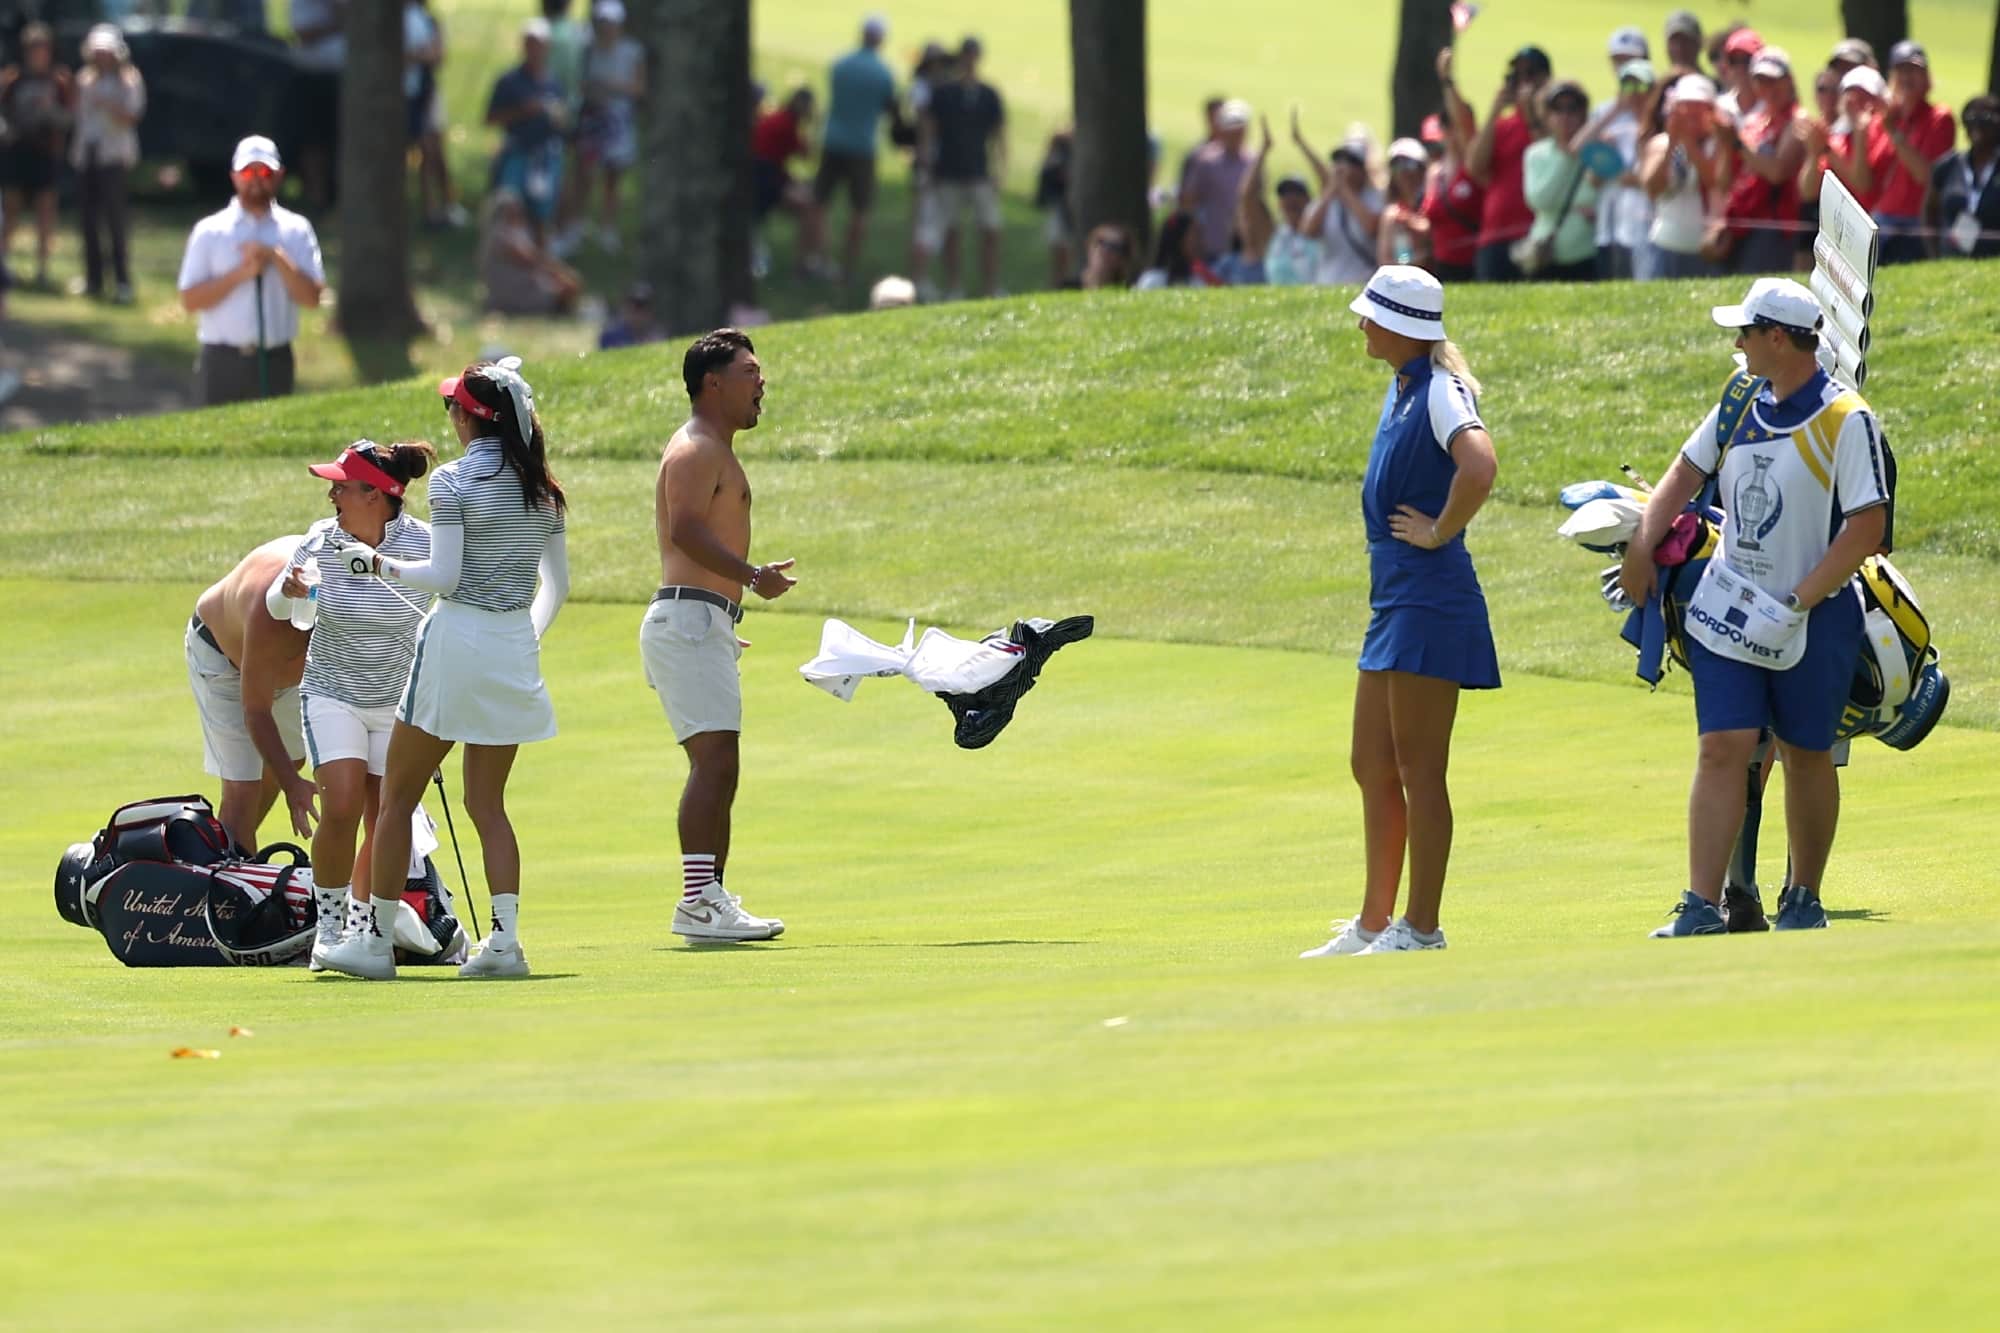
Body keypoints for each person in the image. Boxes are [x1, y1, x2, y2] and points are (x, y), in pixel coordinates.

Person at [1618, 279, 1891, 936]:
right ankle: (1699, 904)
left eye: (1746, 332)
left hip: (1815, 616)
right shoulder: (1739, 398)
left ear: (1778, 338)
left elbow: (1866, 528)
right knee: (1723, 746)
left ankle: (1804, 898)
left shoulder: (1846, 418)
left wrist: (1799, 600)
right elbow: (1683, 474)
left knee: (1805, 751)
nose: (1737, 343)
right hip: (1731, 609)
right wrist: (1643, 544)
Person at [317, 359, 571, 980]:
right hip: (513, 645)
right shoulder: (544, 488)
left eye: (452, 407)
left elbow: (445, 577)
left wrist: (373, 564)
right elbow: (557, 587)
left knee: (397, 797)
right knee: (488, 803)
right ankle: (504, 945)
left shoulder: (455, 481)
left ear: (467, 418)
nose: (450, 417)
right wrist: (520, 639)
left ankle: (375, 945)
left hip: (455, 641)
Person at [1300, 265, 1498, 958]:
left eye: (1372, 315)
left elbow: (1480, 467)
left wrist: (1440, 530)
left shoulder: (1441, 390)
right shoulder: (1407, 385)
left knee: (1420, 768)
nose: (1362, 324)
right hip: (1394, 600)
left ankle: (1422, 926)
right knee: (1371, 762)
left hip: (1430, 597)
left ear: (1403, 327)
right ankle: (1374, 921)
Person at [641, 329, 795, 943]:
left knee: (720, 763)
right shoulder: (696, 448)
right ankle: (698, 901)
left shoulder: (712, 448)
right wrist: (751, 577)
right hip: (688, 620)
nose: (761, 382)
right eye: (749, 372)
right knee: (715, 762)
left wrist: (725, 616)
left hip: (703, 620)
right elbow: (685, 530)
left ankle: (710, 898)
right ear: (713, 383)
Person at [276, 441, 437, 965]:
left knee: (385, 817)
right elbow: (278, 602)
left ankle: (366, 925)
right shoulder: (321, 539)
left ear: (375, 494)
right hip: (332, 693)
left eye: (341, 487)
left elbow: (451, 595)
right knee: (341, 805)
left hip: (397, 704)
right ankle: (328, 928)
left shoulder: (424, 542)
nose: (331, 495)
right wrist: (291, 591)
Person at [176, 136, 325, 406]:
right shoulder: (210, 231)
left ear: (279, 175)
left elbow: (312, 298)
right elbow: (190, 300)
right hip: (221, 360)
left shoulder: (296, 230)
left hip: (275, 359)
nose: (256, 180)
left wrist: (276, 257)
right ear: (234, 177)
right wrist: (241, 274)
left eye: (264, 172)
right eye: (247, 172)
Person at [188, 536, 314, 853]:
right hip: (221, 658)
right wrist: (292, 786)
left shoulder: (352, 602)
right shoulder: (267, 611)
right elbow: (256, 712)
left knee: (289, 760)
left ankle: (225, 853)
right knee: (243, 787)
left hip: (283, 671)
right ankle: (232, 874)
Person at [914, 37, 1005, 300]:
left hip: (979, 172)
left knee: (990, 230)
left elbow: (999, 135)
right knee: (951, 232)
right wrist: (927, 167)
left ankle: (990, 287)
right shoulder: (944, 93)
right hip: (948, 172)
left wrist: (1000, 170)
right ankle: (954, 286)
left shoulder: (989, 94)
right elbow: (929, 133)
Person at [815, 13, 898, 282]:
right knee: (859, 210)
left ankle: (821, 258)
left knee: (821, 203)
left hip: (833, 139)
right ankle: (847, 268)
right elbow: (889, 108)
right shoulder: (883, 73)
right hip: (863, 146)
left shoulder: (841, 65)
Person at [69, 25, 144, 304]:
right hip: (87, 154)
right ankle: (93, 278)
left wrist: (108, 104)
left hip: (114, 156)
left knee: (115, 220)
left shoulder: (129, 79)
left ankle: (122, 280)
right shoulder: (84, 79)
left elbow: (132, 116)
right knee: (88, 219)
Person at [1715, 47, 1804, 275]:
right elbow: (1725, 181)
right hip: (1742, 223)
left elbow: (1778, 172)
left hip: (1774, 228)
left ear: (1789, 81)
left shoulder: (1797, 121)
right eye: (1761, 81)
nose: (1768, 88)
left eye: (1774, 80)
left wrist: (1736, 144)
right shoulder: (1753, 121)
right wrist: (1726, 145)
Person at [1466, 44, 1550, 281]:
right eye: (1516, 77)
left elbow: (1550, 157)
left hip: (1535, 234)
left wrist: (1531, 114)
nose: (1523, 83)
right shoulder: (1503, 126)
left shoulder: (1555, 121)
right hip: (1495, 235)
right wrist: (1494, 111)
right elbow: (1475, 166)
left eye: (1530, 74)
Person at [0, 23, 73, 292]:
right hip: (17, 153)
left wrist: (50, 111)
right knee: (11, 209)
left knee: (45, 211)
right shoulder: (13, 79)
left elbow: (70, 118)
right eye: (33, 49)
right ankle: (4, 265)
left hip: (45, 154)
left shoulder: (59, 80)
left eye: (42, 49)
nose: (38, 54)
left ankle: (42, 269)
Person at [1870, 42, 1955, 264]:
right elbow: (1869, 177)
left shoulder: (1939, 118)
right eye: (1901, 71)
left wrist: (1894, 133)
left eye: (1914, 70)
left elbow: (1925, 175)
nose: (1907, 77)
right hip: (1881, 218)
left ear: (1926, 77)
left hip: (1915, 222)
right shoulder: (1884, 118)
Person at [486, 19, 567, 241]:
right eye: (530, 43)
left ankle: (539, 253)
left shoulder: (554, 83)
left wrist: (559, 119)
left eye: (539, 44)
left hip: (545, 157)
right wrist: (523, 111)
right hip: (516, 152)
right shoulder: (509, 81)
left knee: (541, 213)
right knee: (509, 208)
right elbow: (490, 118)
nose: (534, 50)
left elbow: (563, 123)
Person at [571, 0, 643, 253]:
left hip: (618, 120)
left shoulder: (632, 51)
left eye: (611, 23)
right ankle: (576, 225)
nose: (606, 28)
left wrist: (610, 85)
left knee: (613, 177)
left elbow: (638, 88)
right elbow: (580, 82)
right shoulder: (588, 48)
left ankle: (607, 228)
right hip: (593, 115)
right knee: (584, 173)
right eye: (603, 23)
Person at [1587, 38, 1660, 280]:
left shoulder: (1661, 128)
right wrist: (1616, 110)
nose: (1635, 94)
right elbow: (1583, 159)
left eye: (1641, 87)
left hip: (1651, 226)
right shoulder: (1614, 126)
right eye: (1628, 86)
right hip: (1615, 226)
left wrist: (1629, 177)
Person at [1641, 75, 1726, 279]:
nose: (1691, 113)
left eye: (1699, 106)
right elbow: (1652, 189)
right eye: (1685, 106)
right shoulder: (1660, 144)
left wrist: (1687, 141)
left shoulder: (1720, 144)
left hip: (1705, 249)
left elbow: (1713, 182)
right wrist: (1673, 141)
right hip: (1666, 244)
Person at [1521, 80, 1602, 281]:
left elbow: (1602, 197)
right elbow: (1540, 200)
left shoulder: (1597, 153)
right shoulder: (1536, 154)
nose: (1565, 116)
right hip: (1546, 255)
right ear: (1546, 116)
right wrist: (1568, 155)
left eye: (1572, 109)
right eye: (1557, 109)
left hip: (1588, 256)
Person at [1227, 116, 1316, 287]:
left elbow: (1329, 183)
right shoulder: (1275, 236)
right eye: (1285, 194)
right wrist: (1263, 151)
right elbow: (1247, 197)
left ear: (1308, 200)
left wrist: (1302, 144)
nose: (1291, 199)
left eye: (1297, 193)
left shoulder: (1320, 232)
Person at [478, 187, 582, 315]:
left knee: (566, 285)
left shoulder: (511, 233)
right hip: (515, 291)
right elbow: (532, 261)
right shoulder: (501, 237)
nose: (518, 213)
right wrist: (562, 274)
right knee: (566, 287)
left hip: (522, 285)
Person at [1302, 123, 1382, 286]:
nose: (1343, 166)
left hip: (1364, 282)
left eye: (1351, 162)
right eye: (1338, 160)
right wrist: (1331, 190)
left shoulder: (1375, 197)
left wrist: (1345, 190)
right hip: (1327, 282)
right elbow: (1309, 231)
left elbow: (1371, 227)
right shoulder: (1326, 200)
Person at [751, 87, 822, 271]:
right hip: (764, 179)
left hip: (762, 174)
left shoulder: (779, 118)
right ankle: (804, 263)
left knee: (807, 198)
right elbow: (806, 154)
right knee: (809, 208)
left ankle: (808, 261)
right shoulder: (787, 126)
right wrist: (813, 127)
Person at [1431, 53, 1488, 284]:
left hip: (1472, 267)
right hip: (1441, 267)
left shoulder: (1473, 163)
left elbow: (1464, 125)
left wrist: (1447, 81)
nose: (1451, 131)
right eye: (1446, 125)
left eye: (1454, 124)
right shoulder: (1435, 171)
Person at [1179, 98, 1253, 264]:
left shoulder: (1252, 161)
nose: (1237, 134)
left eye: (1240, 128)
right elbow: (1188, 201)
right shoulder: (1205, 160)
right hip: (1211, 243)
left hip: (1244, 244)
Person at [1928, 95, 2000, 259]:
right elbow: (1929, 209)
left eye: (1986, 119)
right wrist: (1934, 253)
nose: (1978, 125)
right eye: (1971, 119)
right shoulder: (1947, 165)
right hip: (1952, 256)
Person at [1377, 137, 1432, 266]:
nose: (1403, 171)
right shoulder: (1393, 214)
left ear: (1422, 168)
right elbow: (1386, 261)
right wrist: (1412, 263)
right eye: (1396, 165)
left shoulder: (1432, 204)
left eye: (1410, 164)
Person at [1133, 210, 1221, 289]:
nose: (1201, 242)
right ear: (1179, 239)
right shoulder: (1153, 280)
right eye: (1196, 235)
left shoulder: (1197, 281)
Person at [1035, 127, 1074, 286]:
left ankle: (1062, 283)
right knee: (1059, 250)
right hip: (1060, 209)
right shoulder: (1055, 162)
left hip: (1068, 211)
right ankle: (1058, 284)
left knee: (1064, 251)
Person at [597, 280, 661, 347]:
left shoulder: (658, 337)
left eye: (642, 306)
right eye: (634, 306)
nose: (638, 313)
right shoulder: (610, 337)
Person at [1073, 222, 1137, 289]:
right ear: (1088, 245)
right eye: (1100, 242)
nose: (1104, 250)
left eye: (1114, 247)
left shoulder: (1131, 290)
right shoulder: (1067, 287)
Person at [1663, 10, 1703, 80]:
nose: (1680, 48)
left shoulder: (1712, 85)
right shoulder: (1661, 84)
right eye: (1674, 42)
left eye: (1686, 41)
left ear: (1699, 44)